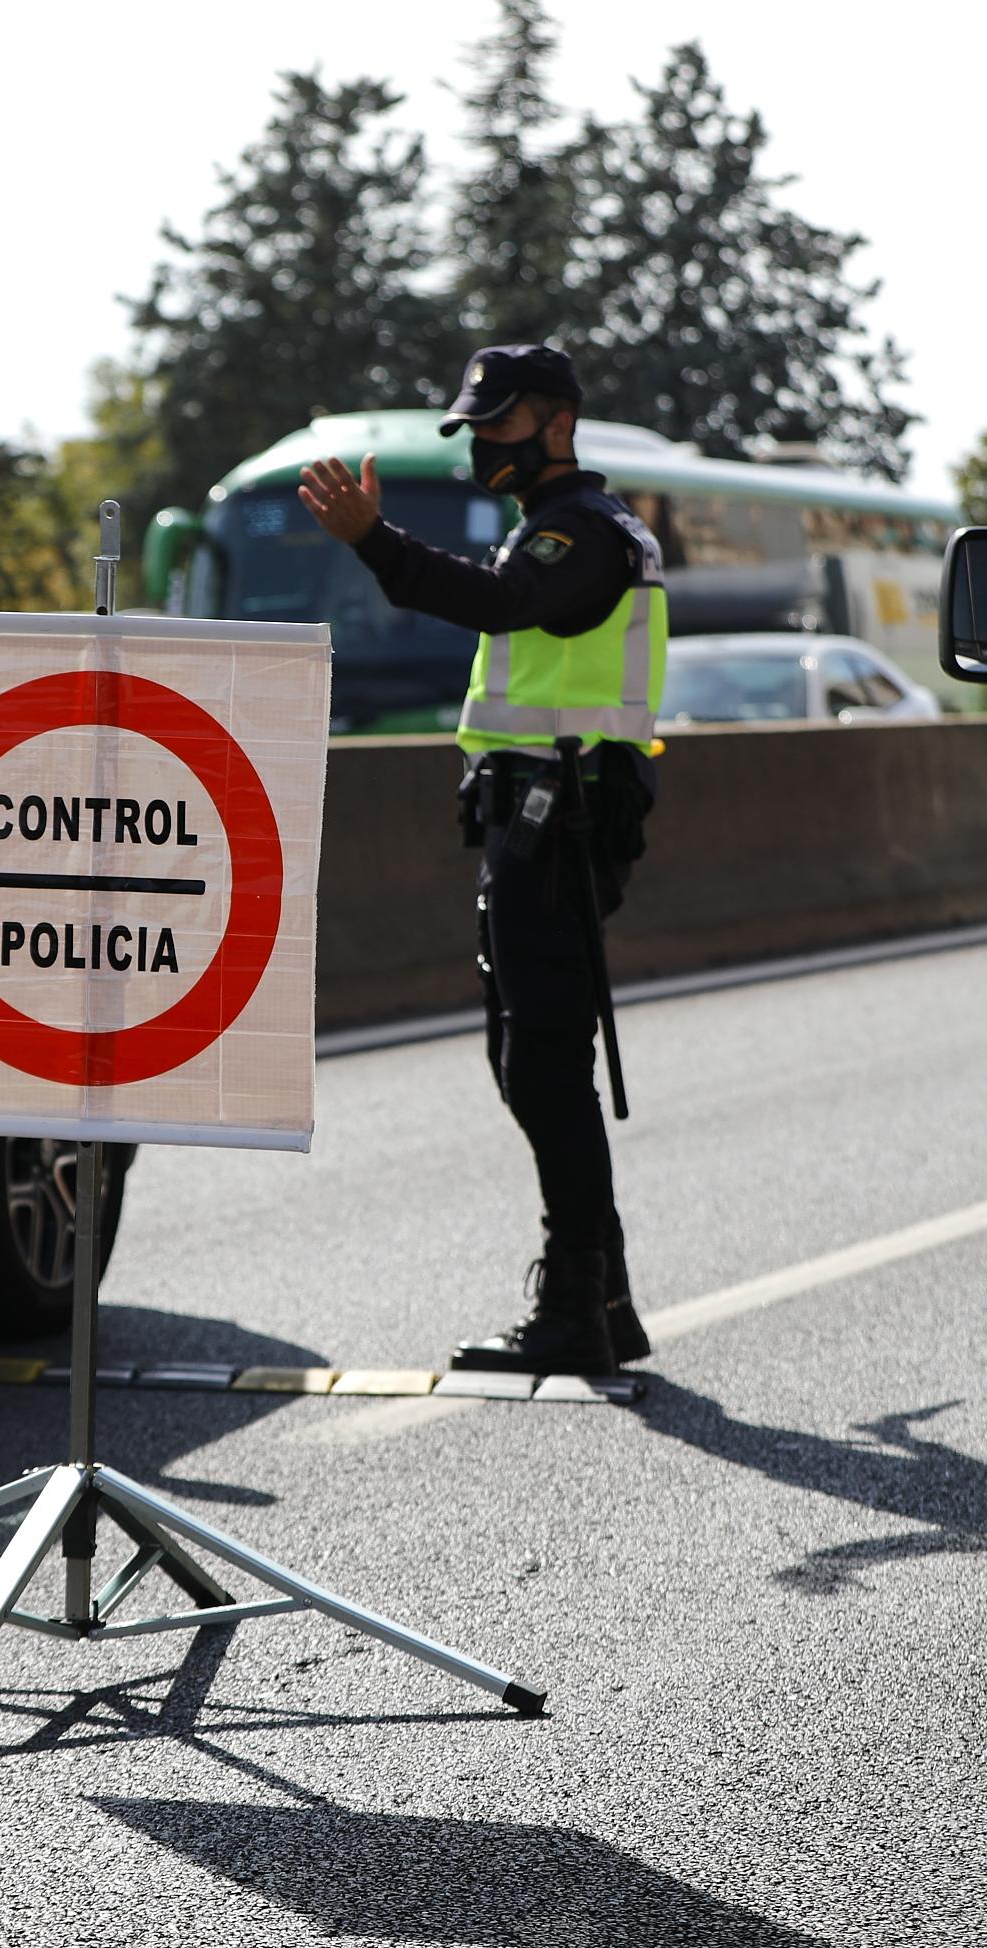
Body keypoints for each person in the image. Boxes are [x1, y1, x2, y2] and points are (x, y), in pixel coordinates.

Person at [297, 342, 663, 1378]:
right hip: (540, 812)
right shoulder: (564, 527)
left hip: (562, 814)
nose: (479, 448)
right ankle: (604, 1294)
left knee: (541, 1061)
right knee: (531, 1059)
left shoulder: (579, 534)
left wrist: (376, 543)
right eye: (471, 429)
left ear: (556, 422)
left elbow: (495, 605)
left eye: (497, 426)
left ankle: (575, 1303)